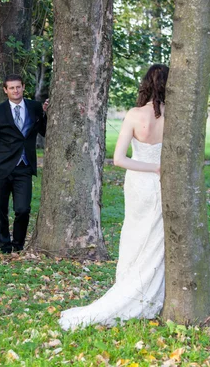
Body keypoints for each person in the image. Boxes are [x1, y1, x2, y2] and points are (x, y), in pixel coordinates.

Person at [59, 64, 169, 330]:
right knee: (155, 237)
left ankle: (131, 285)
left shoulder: (134, 114)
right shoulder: (174, 115)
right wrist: (158, 168)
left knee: (135, 233)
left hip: (139, 182)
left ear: (146, 84)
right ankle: (149, 290)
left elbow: (119, 159)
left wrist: (150, 167)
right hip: (161, 181)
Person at [0, 74, 48, 254]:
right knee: (0, 210)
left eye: (18, 87)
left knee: (22, 209)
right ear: (5, 90)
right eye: (11, 88)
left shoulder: (35, 107)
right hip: (0, 168)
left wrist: (45, 114)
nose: (15, 90)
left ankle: (18, 244)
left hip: (24, 167)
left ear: (23, 87)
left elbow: (44, 131)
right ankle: (4, 246)